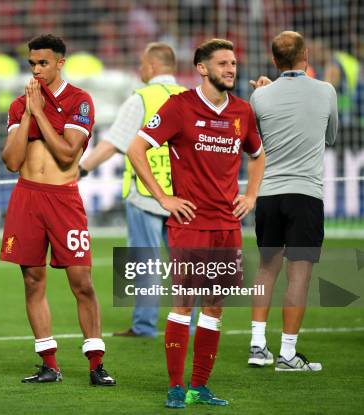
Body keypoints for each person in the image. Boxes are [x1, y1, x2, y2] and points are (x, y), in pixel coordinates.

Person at [127, 39, 265, 408]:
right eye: (222, 63)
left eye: (233, 62)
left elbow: (258, 154)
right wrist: (163, 198)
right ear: (202, 68)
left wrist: (250, 196)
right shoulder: (180, 107)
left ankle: (199, 386)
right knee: (185, 302)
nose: (231, 69)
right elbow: (135, 149)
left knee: (215, 306)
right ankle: (176, 385)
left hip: (227, 225)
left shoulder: (242, 111)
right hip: (189, 223)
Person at [0, 34, 115, 386]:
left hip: (63, 200)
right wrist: (26, 117)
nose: (36, 69)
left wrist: (40, 115)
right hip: (26, 197)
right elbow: (11, 161)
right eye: (32, 63)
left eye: (43, 63)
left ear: (61, 62)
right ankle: (49, 362)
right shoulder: (20, 105)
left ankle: (96, 364)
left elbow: (68, 154)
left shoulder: (79, 101)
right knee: (33, 281)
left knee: (81, 282)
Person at [79, 42, 187, 338]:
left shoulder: (141, 98)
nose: (139, 69)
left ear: (152, 67)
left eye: (142, 63)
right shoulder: (191, 98)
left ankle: (144, 325)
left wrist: (82, 168)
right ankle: (190, 326)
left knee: (146, 262)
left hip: (147, 193)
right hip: (184, 196)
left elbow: (114, 142)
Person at [247, 31, 337, 371]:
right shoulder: (325, 91)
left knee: (266, 268)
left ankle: (257, 346)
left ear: (274, 61)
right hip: (305, 194)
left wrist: (265, 93)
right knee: (298, 275)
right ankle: (287, 354)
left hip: (268, 194)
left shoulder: (261, 97)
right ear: (307, 54)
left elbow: (255, 140)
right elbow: (330, 137)